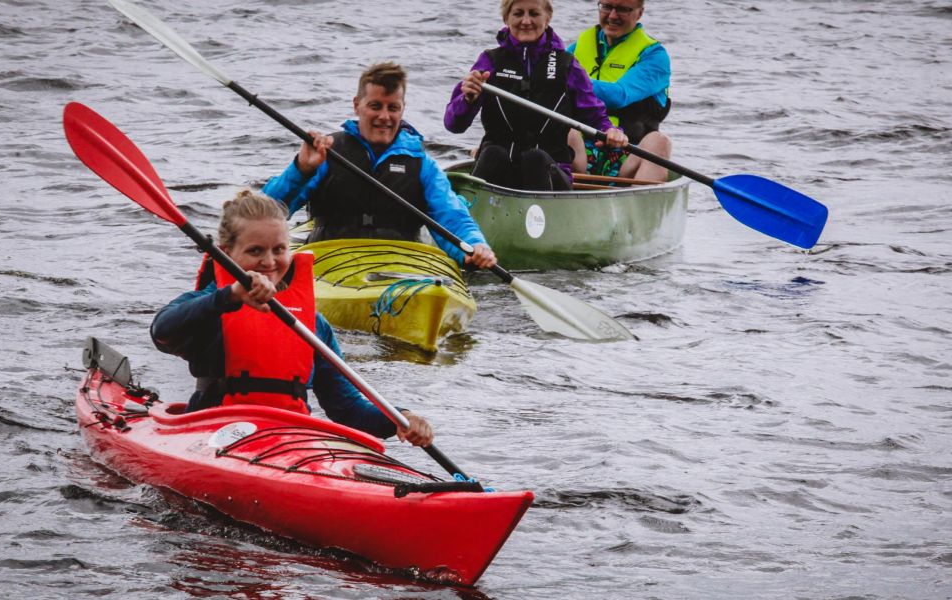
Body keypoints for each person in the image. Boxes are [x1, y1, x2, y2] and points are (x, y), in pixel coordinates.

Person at [150, 189, 433, 447]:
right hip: (215, 437)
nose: (270, 262)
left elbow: (347, 409)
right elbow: (162, 330)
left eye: (279, 249)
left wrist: (398, 418)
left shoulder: (313, 324)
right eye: (255, 251)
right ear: (226, 254)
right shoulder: (211, 305)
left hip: (290, 443)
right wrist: (229, 296)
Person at [262, 62, 496, 270]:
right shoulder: (325, 154)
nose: (384, 116)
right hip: (330, 265)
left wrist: (475, 245)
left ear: (402, 109)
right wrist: (301, 169)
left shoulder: (422, 165)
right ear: (357, 105)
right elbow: (266, 212)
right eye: (375, 106)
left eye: (392, 108)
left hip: (402, 268)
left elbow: (452, 216)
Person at [443, 0, 628, 191]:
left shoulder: (566, 65)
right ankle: (467, 214)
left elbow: (594, 114)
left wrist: (612, 132)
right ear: (506, 18)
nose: (526, 21)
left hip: (549, 171)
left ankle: (541, 218)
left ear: (547, 18)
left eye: (533, 13)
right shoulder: (490, 61)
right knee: (492, 153)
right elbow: (453, 125)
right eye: (518, 14)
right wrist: (467, 100)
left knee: (534, 158)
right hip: (500, 169)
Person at [566, 0, 672, 182]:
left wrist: (569, 79)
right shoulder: (576, 48)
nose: (613, 16)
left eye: (622, 9)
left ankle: (639, 204)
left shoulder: (654, 57)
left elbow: (619, 96)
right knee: (563, 129)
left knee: (659, 142)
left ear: (639, 13)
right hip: (579, 155)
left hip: (628, 157)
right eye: (607, 7)